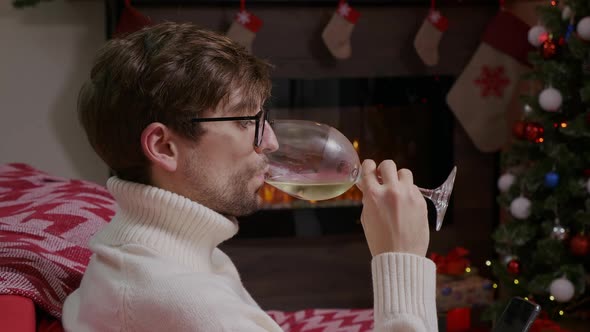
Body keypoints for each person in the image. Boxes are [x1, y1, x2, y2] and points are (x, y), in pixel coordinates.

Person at [62, 22, 437, 331]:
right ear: (163, 146)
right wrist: (401, 256)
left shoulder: (150, 256)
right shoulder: (182, 301)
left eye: (262, 119)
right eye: (245, 120)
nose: (271, 141)